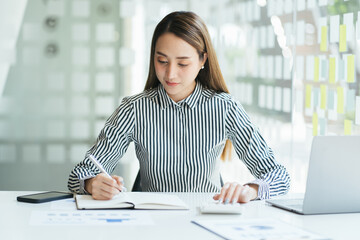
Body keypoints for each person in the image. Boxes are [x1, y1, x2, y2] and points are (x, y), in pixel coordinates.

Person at [68, 11, 290, 204]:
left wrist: (249, 191)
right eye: (162, 61)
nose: (170, 74)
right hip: (152, 222)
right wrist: (91, 184)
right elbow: (79, 174)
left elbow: (278, 176)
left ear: (203, 60)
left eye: (183, 63)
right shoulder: (134, 109)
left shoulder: (224, 108)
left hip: (207, 219)